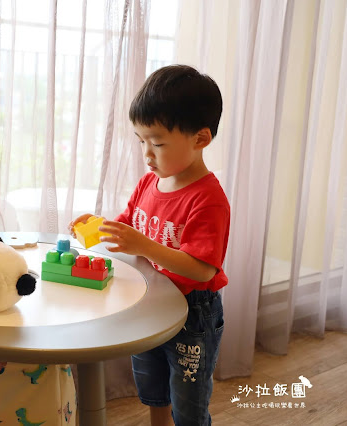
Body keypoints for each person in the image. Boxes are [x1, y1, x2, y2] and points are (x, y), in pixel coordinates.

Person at [69, 64, 229, 426]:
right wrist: (97, 227)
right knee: (153, 386)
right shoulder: (149, 183)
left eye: (156, 143)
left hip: (192, 312)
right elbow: (128, 226)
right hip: (150, 299)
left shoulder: (208, 199)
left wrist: (145, 246)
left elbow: (202, 269)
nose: (147, 154)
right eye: (141, 141)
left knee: (188, 402)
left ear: (200, 138)